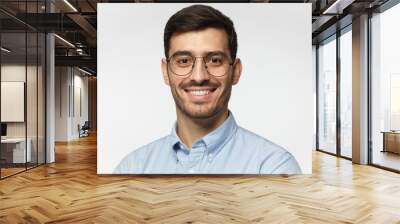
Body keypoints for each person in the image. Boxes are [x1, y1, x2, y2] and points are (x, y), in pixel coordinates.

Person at [114, 4, 301, 174]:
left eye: (215, 60)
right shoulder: (132, 167)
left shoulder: (274, 166)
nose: (199, 76)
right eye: (184, 61)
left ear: (235, 71)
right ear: (165, 71)